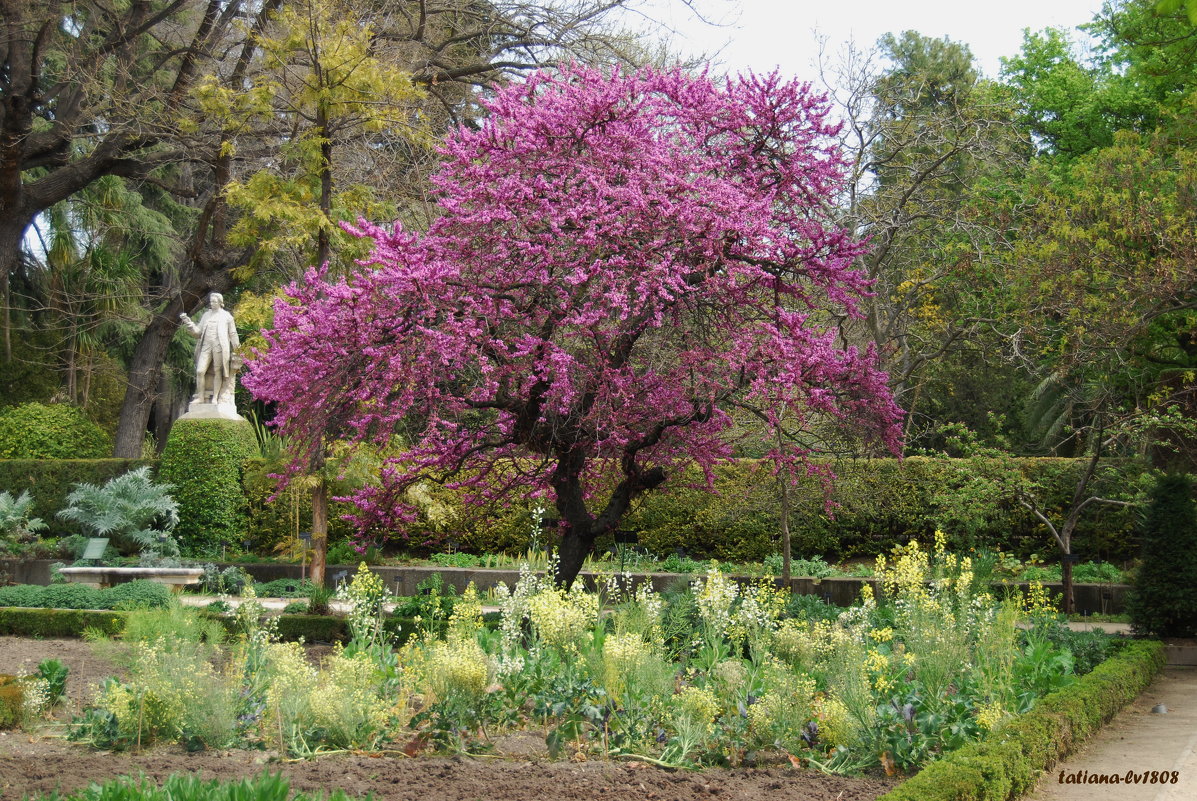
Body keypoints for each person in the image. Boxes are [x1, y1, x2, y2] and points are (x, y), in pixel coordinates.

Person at [179, 293, 240, 405]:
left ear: (220, 303)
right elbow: (198, 333)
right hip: (206, 347)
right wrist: (189, 324)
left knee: (218, 372)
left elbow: (233, 334)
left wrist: (238, 350)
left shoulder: (227, 316)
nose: (212, 303)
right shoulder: (206, 315)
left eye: (214, 302)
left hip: (219, 347)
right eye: (211, 302)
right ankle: (201, 397)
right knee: (200, 371)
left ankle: (215, 398)